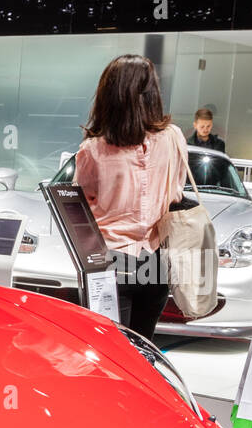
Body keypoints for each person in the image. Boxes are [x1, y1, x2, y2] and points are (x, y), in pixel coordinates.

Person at [74, 54, 187, 342]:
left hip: (110, 259)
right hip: (156, 258)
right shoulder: (173, 137)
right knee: (144, 349)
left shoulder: (93, 149)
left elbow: (81, 208)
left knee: (108, 350)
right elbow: (176, 192)